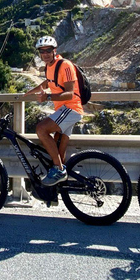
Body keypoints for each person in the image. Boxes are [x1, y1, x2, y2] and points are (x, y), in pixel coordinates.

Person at [23, 36, 84, 186]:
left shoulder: (65, 65)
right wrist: (29, 92)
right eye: (42, 51)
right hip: (63, 110)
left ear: (54, 50)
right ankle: (58, 188)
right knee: (58, 151)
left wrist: (48, 96)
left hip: (71, 108)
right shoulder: (49, 68)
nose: (45, 54)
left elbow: (70, 93)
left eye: (48, 50)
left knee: (41, 129)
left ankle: (58, 170)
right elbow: (47, 82)